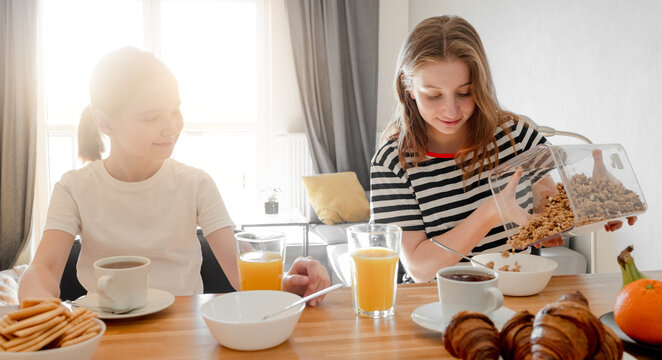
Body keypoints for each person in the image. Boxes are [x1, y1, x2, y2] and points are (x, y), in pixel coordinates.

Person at [19, 47, 329, 305]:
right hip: (107, 331)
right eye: (152, 117)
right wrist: (37, 300)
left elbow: (240, 269)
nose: (171, 126)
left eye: (175, 110)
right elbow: (44, 268)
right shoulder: (73, 188)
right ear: (105, 123)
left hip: (184, 330)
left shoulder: (196, 184)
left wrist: (294, 281)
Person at [370, 16, 636, 283]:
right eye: (433, 95)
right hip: (435, 305)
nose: (451, 111)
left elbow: (548, 202)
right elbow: (419, 269)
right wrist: (490, 213)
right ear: (408, 87)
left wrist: (598, 203)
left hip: (517, 296)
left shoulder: (515, 136)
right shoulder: (392, 161)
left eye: (465, 92)